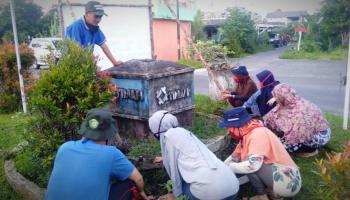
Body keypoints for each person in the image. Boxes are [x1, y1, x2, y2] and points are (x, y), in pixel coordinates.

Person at [45, 108, 151, 200]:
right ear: (108, 135)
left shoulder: (64, 147)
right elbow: (138, 178)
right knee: (130, 183)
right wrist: (142, 193)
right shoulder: (111, 154)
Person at [148, 110, 239, 200]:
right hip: (233, 187)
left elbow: (174, 172)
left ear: (156, 130)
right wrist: (166, 158)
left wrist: (177, 196)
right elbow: (188, 153)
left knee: (182, 186)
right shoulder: (184, 132)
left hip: (212, 194)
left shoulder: (169, 137)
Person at [220, 107, 302, 200]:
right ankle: (270, 195)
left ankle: (265, 196)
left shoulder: (257, 134)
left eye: (228, 127)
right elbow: (234, 156)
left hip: (288, 185)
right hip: (287, 178)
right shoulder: (248, 133)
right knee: (247, 161)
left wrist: (231, 166)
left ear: (237, 125)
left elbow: (253, 166)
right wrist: (221, 168)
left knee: (249, 163)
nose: (228, 130)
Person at [264, 83, 331, 157]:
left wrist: (282, 142)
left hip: (320, 136)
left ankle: (311, 151)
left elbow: (295, 137)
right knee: (280, 130)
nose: (276, 99)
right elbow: (273, 114)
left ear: (283, 97)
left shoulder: (300, 112)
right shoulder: (293, 101)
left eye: (277, 97)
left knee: (285, 146)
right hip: (312, 131)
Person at [65, 1, 122, 66]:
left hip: (85, 65)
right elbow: (77, 50)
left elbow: (104, 46)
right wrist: (93, 65)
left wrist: (114, 62)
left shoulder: (94, 27)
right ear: (87, 14)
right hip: (69, 66)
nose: (98, 19)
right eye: (96, 16)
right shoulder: (76, 26)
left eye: (100, 17)